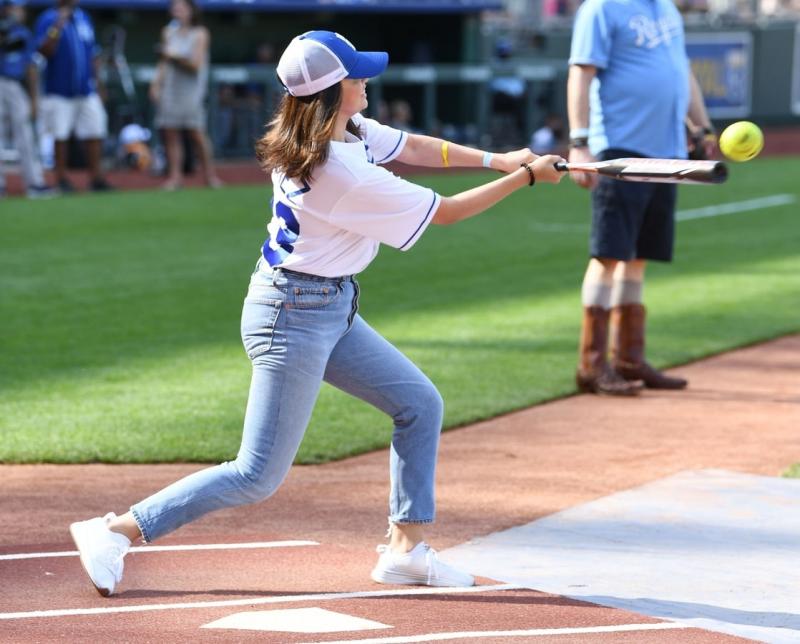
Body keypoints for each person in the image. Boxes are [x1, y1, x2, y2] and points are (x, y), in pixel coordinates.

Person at [67, 30, 565, 597]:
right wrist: (523, 178)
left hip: (326, 306)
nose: (366, 81)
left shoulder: (337, 130)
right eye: (356, 75)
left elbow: (410, 147)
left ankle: (406, 550)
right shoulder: (339, 172)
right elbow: (445, 214)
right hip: (293, 315)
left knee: (418, 403)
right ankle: (118, 531)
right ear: (330, 92)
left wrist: (498, 158)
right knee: (256, 475)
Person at [567, 0, 715, 395]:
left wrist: (701, 128)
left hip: (666, 152)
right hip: (620, 150)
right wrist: (579, 143)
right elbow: (580, 73)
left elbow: (681, 71)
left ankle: (630, 357)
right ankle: (592, 366)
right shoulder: (600, 8)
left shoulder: (666, 8)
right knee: (609, 255)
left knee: (637, 257)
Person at [34, 0, 113, 193]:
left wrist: (99, 84)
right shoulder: (48, 18)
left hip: (86, 89)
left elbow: (93, 54)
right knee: (60, 135)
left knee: (95, 130)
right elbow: (44, 50)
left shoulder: (83, 17)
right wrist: (56, 27)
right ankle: (61, 179)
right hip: (58, 90)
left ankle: (96, 178)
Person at [149, 0, 221, 190]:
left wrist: (171, 55)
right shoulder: (168, 32)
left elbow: (194, 64)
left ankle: (210, 176)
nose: (177, 11)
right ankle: (175, 177)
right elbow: (163, 64)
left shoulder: (201, 33)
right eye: (175, 8)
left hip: (191, 90)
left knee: (196, 133)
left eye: (181, 7)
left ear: (191, 11)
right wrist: (156, 84)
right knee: (171, 133)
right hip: (170, 88)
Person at [0, 0, 54, 198]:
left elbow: (31, 67)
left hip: (15, 86)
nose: (19, 11)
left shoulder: (23, 33)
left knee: (25, 134)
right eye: (15, 7)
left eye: (20, 8)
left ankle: (34, 183)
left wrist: (33, 99)